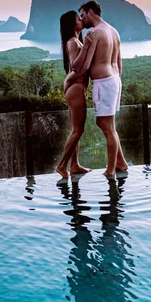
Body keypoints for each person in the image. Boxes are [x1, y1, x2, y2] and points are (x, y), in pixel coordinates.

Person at [64, 0, 129, 178]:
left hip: (104, 82)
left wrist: (69, 78)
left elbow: (82, 67)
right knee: (106, 124)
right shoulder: (113, 31)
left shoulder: (94, 33)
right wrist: (115, 83)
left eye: (83, 15)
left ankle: (110, 169)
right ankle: (121, 162)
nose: (82, 20)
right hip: (114, 80)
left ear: (91, 12)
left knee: (108, 127)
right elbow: (119, 63)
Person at [56, 10, 94, 179]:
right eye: (79, 18)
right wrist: (67, 81)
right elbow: (76, 67)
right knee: (78, 130)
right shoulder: (73, 42)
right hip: (76, 87)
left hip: (76, 88)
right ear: (73, 24)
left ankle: (74, 165)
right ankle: (62, 165)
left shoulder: (75, 41)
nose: (81, 20)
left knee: (75, 129)